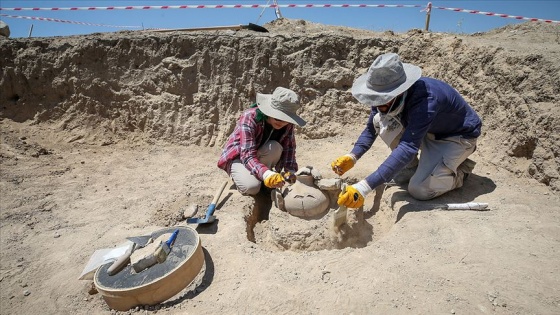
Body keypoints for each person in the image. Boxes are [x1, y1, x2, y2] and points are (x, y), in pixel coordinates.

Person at [332, 53, 482, 207]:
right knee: (380, 119)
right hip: (426, 129)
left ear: (400, 91)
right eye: (375, 99)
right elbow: (371, 128)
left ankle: (460, 172)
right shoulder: (382, 95)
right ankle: (410, 168)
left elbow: (408, 147)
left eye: (383, 100)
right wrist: (353, 156)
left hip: (455, 137)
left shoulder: (426, 100)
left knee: (420, 190)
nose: (378, 104)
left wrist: (364, 187)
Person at [218, 87, 306, 196]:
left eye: (286, 119)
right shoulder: (250, 117)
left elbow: (289, 149)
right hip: (239, 157)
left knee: (275, 147)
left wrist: (291, 172)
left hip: (260, 154)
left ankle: (263, 179)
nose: (281, 122)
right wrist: (266, 174)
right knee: (251, 187)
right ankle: (253, 177)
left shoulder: (287, 125)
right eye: (278, 118)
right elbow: (247, 155)